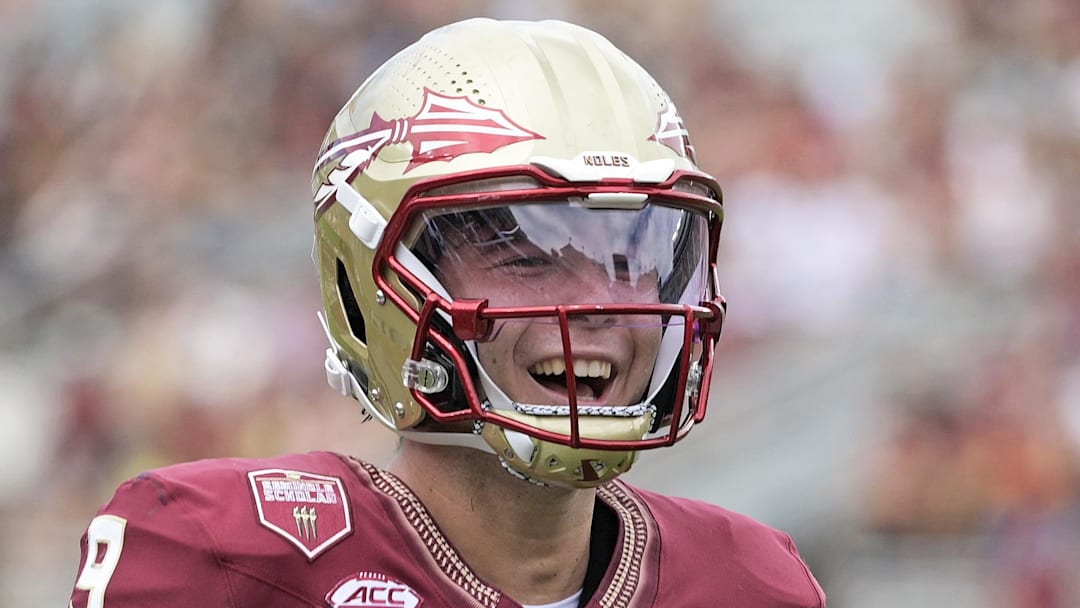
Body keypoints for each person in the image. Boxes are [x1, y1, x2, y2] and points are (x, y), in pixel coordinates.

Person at [68, 18, 826, 608]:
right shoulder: (221, 555)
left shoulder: (752, 581)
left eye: (635, 255)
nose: (599, 302)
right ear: (370, 289)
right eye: (527, 253)